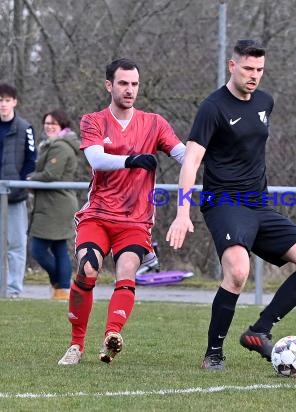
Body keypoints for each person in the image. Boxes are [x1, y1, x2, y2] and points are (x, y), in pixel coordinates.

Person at [166, 39, 296, 371]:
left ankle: (259, 331)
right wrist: (183, 211)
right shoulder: (213, 107)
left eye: (260, 70)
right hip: (223, 202)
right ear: (232, 66)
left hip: (259, 204)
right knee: (238, 272)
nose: (254, 76)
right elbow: (192, 160)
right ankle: (213, 353)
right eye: (248, 69)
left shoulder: (265, 102)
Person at [57, 58, 186, 365]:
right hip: (98, 216)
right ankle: (76, 345)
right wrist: (131, 160)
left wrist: (207, 151)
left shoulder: (155, 123)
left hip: (135, 220)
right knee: (87, 270)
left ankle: (111, 336)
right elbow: (97, 160)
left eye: (134, 84)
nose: (130, 90)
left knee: (126, 271)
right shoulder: (93, 120)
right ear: (109, 85)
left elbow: (183, 155)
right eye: (124, 83)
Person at [28, 109, 80, 300]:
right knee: (59, 248)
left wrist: (30, 179)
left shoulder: (61, 147)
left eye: (54, 124)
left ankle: (59, 283)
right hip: (51, 203)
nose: (49, 126)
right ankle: (63, 291)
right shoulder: (51, 144)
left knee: (38, 250)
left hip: (56, 205)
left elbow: (51, 174)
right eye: (47, 123)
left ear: (62, 127)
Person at [0, 83, 36, 299]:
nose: (3, 104)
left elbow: (31, 161)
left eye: (7, 100)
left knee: (16, 245)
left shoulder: (25, 127)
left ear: (14, 102)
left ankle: (13, 290)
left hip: (15, 197)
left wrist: (20, 183)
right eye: (0, 100)